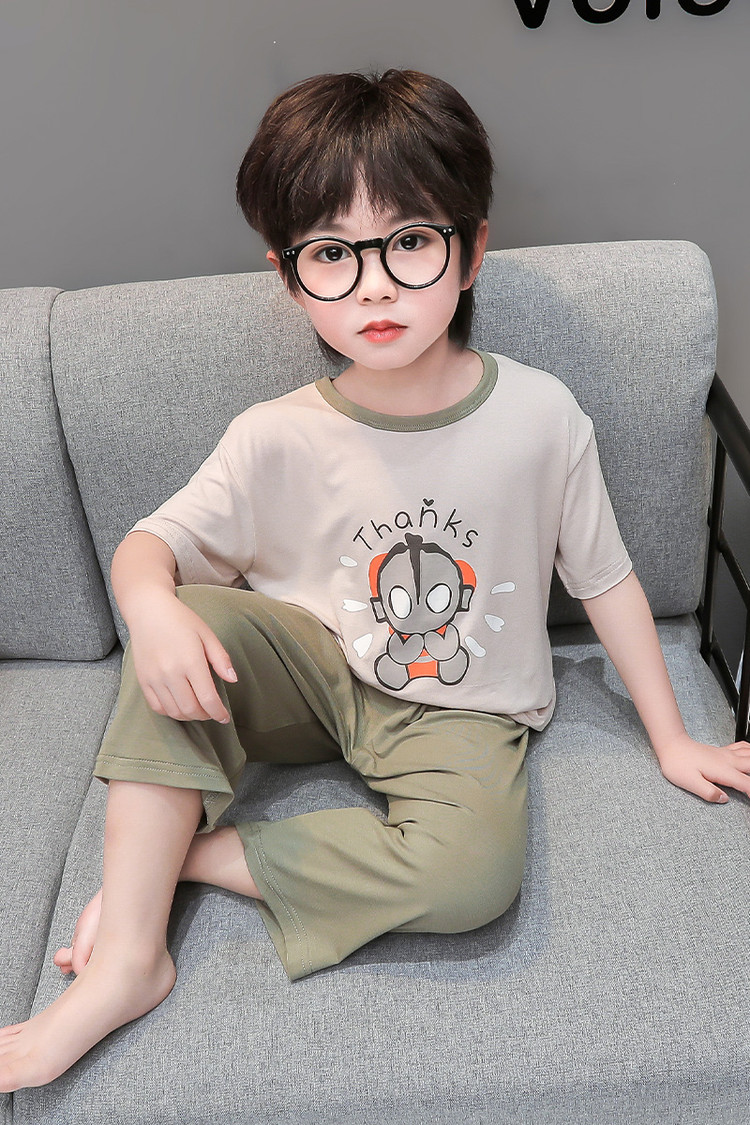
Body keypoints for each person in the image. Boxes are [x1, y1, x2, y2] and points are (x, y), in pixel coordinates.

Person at [2, 68, 749, 1095]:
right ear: (288, 276)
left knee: (473, 876)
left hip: (465, 711)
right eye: (332, 254)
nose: (375, 287)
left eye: (408, 242)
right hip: (311, 674)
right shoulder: (274, 433)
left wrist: (672, 739)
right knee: (181, 615)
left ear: (470, 251)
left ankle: (183, 860)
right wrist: (148, 607)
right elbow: (148, 547)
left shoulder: (540, 416)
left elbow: (608, 577)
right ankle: (131, 959)